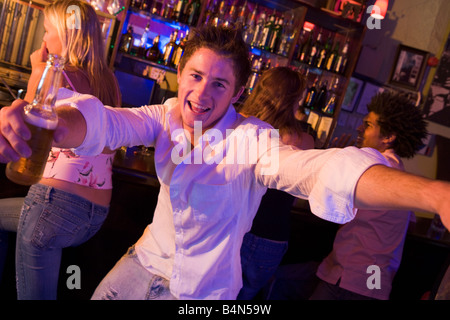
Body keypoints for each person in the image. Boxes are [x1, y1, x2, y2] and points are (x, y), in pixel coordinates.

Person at [1, 25, 450, 300]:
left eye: (220, 84)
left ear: (238, 93)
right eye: (196, 76)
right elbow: (106, 124)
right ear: (181, 73)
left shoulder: (251, 139)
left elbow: (317, 169)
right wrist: (51, 122)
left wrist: (433, 193)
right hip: (140, 268)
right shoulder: (164, 116)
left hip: (203, 292)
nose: (202, 94)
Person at [0, 0, 121, 299]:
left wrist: (37, 68)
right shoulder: (110, 82)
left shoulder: (51, 73)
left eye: (47, 30)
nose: (43, 39)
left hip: (52, 205)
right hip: (93, 216)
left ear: (66, 35)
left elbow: (28, 136)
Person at [310, 91, 428, 300]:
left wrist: (330, 161)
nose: (360, 128)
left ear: (389, 137)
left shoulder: (370, 166)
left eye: (368, 124)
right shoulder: (398, 172)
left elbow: (325, 201)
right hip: (376, 281)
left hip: (349, 276)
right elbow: (409, 223)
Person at [236, 66, 314, 300]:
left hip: (235, 226)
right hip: (271, 236)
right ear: (293, 98)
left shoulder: (240, 126)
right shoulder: (304, 139)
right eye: (300, 97)